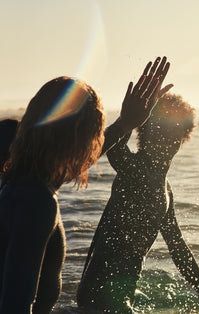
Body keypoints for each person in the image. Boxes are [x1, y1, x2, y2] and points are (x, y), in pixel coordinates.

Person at [0, 56, 173, 314]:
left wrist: (126, 122)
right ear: (79, 138)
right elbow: (15, 304)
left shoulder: (22, 182)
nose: (95, 144)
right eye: (95, 132)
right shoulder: (37, 202)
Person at [77, 94, 199, 313]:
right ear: (146, 134)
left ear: (183, 136)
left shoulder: (164, 188)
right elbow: (110, 147)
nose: (168, 140)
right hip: (100, 292)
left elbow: (178, 249)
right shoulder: (133, 169)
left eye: (175, 131)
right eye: (161, 132)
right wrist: (128, 119)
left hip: (124, 292)